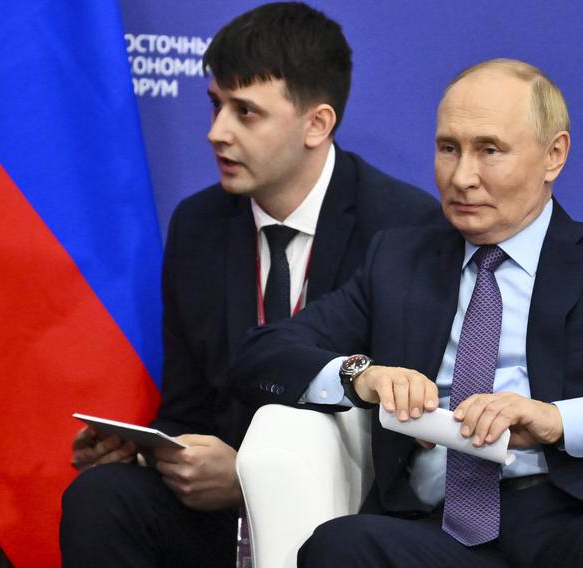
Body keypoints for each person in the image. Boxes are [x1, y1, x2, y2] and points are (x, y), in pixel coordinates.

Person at [230, 58, 583, 568]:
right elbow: (262, 353)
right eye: (448, 148)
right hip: (435, 527)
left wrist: (560, 421)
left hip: (581, 518)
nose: (462, 176)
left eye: (489, 150)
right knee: (339, 546)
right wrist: (362, 377)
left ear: (553, 155)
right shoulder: (398, 261)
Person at [58, 3, 439, 567]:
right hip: (221, 520)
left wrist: (248, 474)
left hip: (350, 514)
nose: (217, 132)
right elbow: (189, 410)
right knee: (102, 498)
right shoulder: (198, 225)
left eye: (245, 112)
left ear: (317, 123)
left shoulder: (406, 228)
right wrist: (147, 452)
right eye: (215, 105)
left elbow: (408, 432)